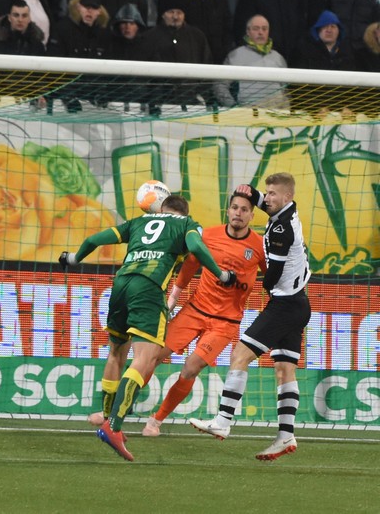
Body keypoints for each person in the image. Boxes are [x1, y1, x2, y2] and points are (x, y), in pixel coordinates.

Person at [59, 194, 237, 461]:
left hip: (120, 285)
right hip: (148, 288)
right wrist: (221, 274)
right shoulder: (186, 223)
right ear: (182, 212)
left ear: (161, 208)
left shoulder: (139, 221)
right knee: (145, 357)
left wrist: (74, 258)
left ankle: (108, 416)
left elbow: (95, 240)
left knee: (116, 353)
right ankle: (114, 426)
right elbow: (197, 248)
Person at [190, 173, 312, 461]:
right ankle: (285, 436)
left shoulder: (282, 229)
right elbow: (261, 202)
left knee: (240, 355)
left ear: (287, 197)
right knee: (284, 370)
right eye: (266, 193)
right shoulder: (286, 211)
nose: (266, 198)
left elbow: (274, 275)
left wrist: (259, 284)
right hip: (299, 303)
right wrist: (251, 192)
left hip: (284, 305)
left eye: (272, 194)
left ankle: (223, 421)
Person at [139, 192, 266, 437]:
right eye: (234, 208)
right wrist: (174, 297)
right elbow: (190, 265)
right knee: (151, 356)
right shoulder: (208, 235)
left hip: (225, 323)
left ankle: (156, 421)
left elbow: (270, 278)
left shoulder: (259, 246)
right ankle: (116, 411)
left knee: (190, 368)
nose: (238, 213)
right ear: (228, 211)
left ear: (251, 215)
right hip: (195, 310)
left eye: (244, 209)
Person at [214, 14, 288, 108]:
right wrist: (233, 107)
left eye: (264, 29)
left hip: (276, 117)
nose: (260, 32)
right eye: (256, 28)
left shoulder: (278, 58)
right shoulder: (235, 56)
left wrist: (286, 113)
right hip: (247, 117)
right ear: (248, 32)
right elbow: (220, 85)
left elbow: (285, 92)